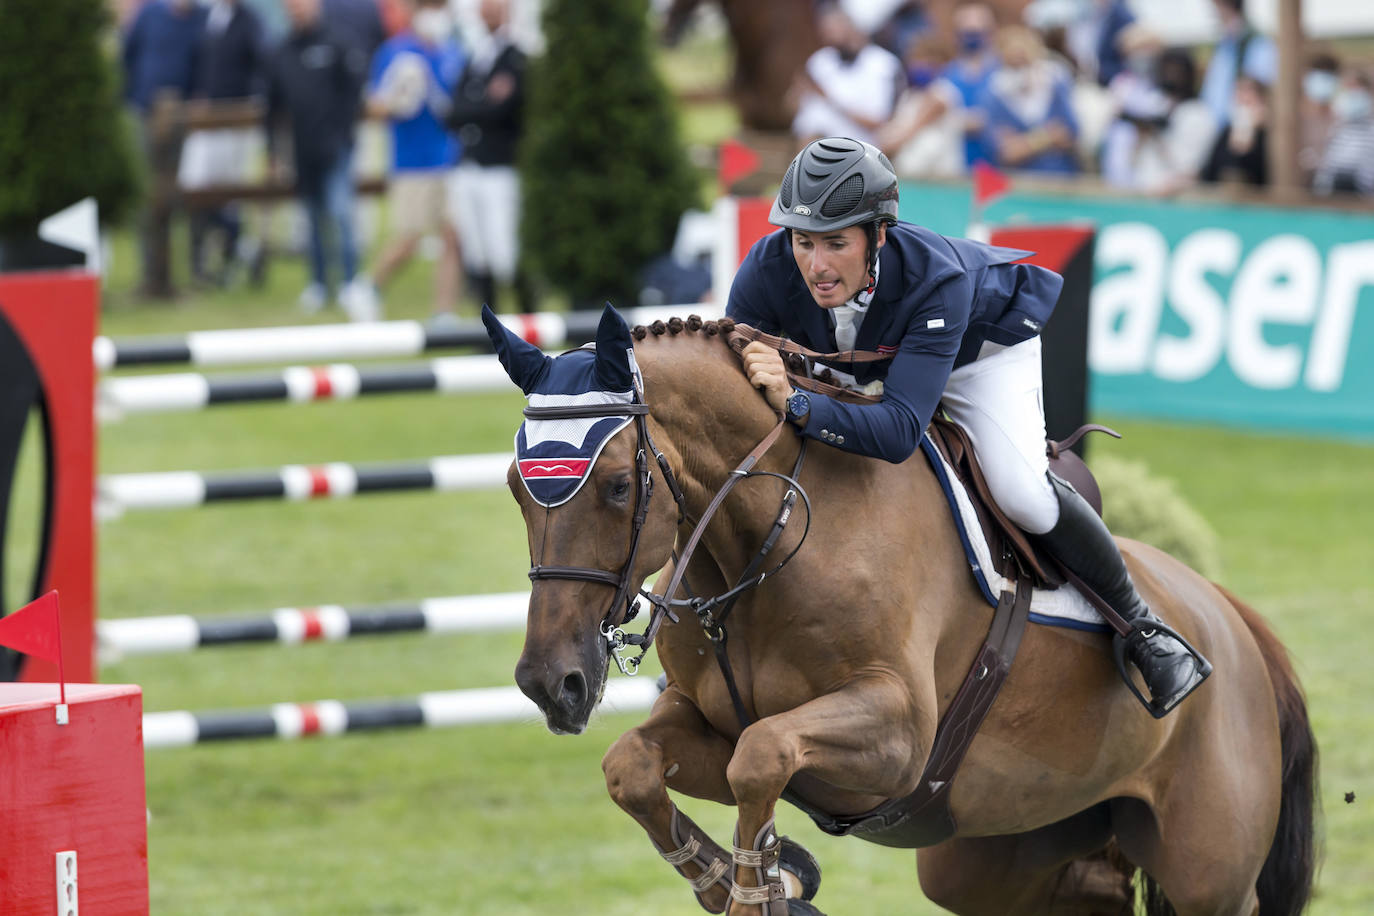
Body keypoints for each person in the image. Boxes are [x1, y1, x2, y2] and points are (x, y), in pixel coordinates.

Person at [727, 137, 1210, 717]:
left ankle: (1145, 631)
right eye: (803, 242)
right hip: (865, 359)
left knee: (1020, 492)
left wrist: (799, 405)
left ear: (879, 235)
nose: (816, 265)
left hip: (977, 354)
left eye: (836, 243)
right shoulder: (765, 267)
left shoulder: (938, 279)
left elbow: (901, 429)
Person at [353, 0, 465, 318]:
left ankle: (444, 311)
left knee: (452, 236)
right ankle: (368, 287)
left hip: (450, 158)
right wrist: (396, 102)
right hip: (411, 162)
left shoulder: (451, 52)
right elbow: (372, 106)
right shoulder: (395, 52)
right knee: (409, 239)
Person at [265, 0, 370, 315]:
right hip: (302, 151)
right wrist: (273, 152)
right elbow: (272, 109)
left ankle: (352, 283)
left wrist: (343, 137)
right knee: (311, 221)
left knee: (340, 215)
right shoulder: (282, 50)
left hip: (336, 148)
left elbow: (355, 95)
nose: (296, 9)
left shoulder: (339, 42)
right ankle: (320, 284)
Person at [446, 0, 532, 313]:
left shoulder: (516, 58)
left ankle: (528, 318)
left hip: (499, 166)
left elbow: (503, 109)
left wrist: (474, 107)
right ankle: (490, 331)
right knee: (476, 251)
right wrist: (480, 104)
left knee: (505, 251)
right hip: (470, 165)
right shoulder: (476, 57)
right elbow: (452, 112)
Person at [122, 0, 207, 297]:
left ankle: (169, 278)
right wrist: (133, 98)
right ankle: (151, 277)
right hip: (145, 113)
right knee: (148, 199)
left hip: (179, 117)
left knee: (171, 200)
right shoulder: (149, 13)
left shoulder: (199, 20)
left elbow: (201, 64)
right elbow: (128, 55)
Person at [182, 0, 266, 286]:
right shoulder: (208, 17)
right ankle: (228, 254)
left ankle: (234, 255)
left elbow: (260, 65)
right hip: (207, 119)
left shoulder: (249, 21)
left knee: (227, 194)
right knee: (196, 187)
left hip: (233, 121)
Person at [1101, 42, 1216, 195]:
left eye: (1176, 71)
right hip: (1140, 191)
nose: (1171, 76)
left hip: (1175, 197)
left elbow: (1188, 169)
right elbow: (1132, 160)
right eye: (1166, 69)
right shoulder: (1153, 103)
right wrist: (1141, 132)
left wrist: (1155, 134)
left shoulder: (1198, 114)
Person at [791, 2, 904, 147]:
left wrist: (828, 99)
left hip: (859, 150)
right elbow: (799, 113)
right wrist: (797, 95)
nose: (827, 33)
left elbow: (878, 123)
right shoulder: (820, 60)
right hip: (812, 147)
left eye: (834, 25)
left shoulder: (884, 65)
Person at [977, 26, 1079, 175]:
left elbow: (1070, 135)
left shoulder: (1056, 86)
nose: (1021, 69)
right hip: (1016, 185)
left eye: (1024, 61)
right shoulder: (993, 95)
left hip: (1060, 182)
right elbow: (1006, 152)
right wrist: (1048, 136)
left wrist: (1023, 143)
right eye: (1014, 63)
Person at [876, 35, 966, 179]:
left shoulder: (942, 94)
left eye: (926, 61)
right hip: (908, 174)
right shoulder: (909, 95)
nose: (918, 65)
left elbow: (909, 131)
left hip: (939, 178)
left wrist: (883, 148)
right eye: (916, 59)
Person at [1197, 0, 1276, 132]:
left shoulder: (1257, 43)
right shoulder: (1224, 44)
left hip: (1241, 130)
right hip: (1217, 129)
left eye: (1216, 8)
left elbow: (1260, 90)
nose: (1214, 14)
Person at [941, 2, 1000, 169]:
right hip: (957, 170)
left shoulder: (1004, 72)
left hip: (1000, 169)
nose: (973, 37)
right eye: (966, 32)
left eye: (979, 31)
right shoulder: (946, 75)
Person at [1312, 69, 1374, 197]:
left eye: (1355, 88)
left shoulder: (1370, 130)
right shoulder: (1337, 129)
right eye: (1347, 89)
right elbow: (1327, 170)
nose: (1350, 94)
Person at [1200, 75, 1268, 187]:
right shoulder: (1227, 131)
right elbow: (1211, 171)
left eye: (1248, 91)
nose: (1242, 97)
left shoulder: (1270, 134)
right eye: (1239, 91)